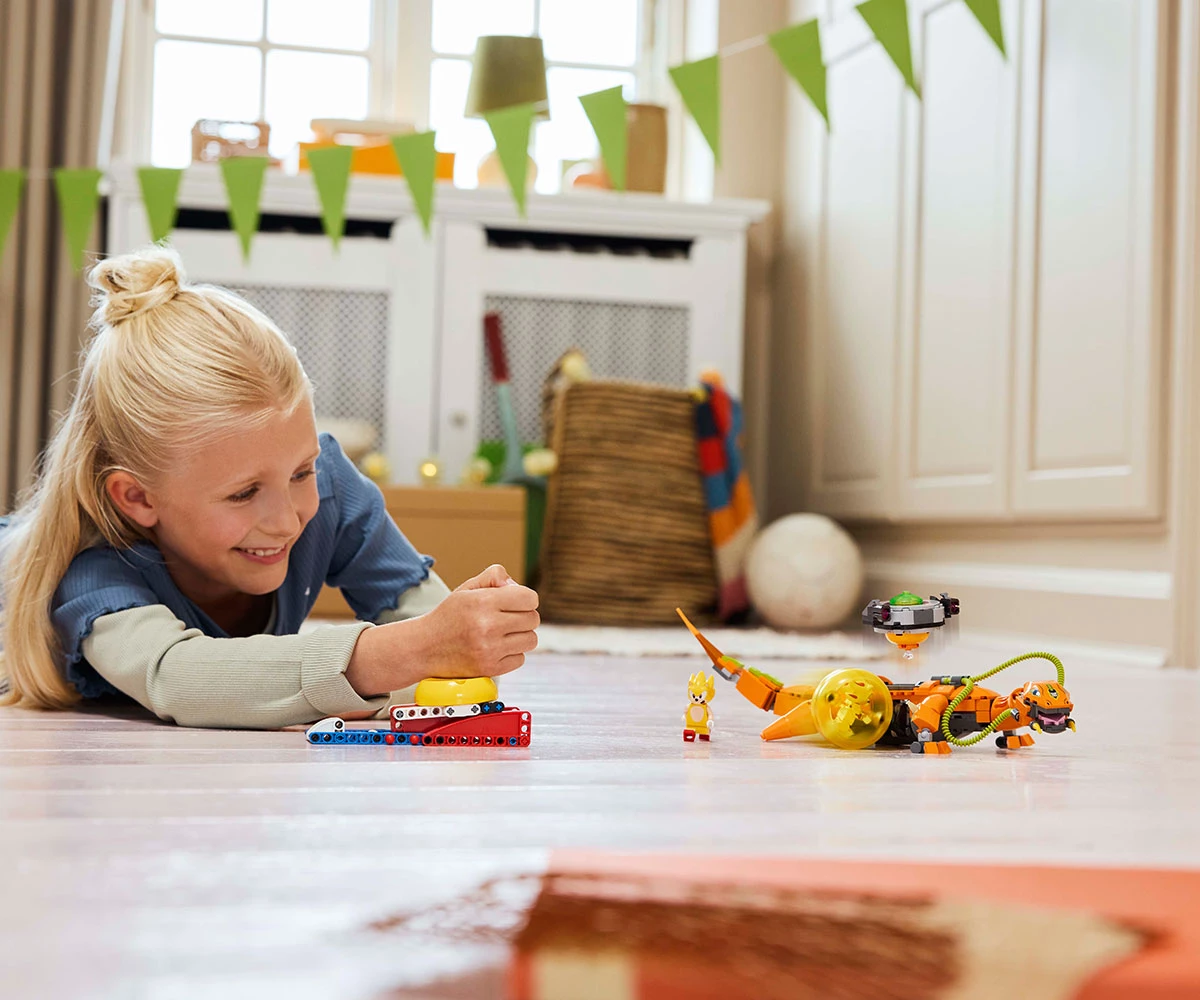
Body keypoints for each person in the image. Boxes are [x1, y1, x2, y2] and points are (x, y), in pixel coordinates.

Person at [0, 246, 539, 728]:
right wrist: (409, 650)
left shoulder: (330, 489)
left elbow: (447, 656)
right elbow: (180, 678)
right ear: (138, 498)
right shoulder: (93, 559)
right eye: (242, 494)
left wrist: (462, 635)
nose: (286, 520)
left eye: (301, 472)